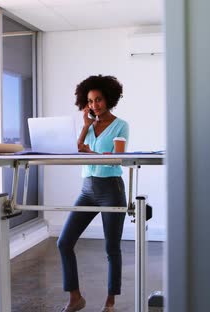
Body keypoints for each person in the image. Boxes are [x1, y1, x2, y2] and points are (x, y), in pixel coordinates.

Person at [57, 75, 129, 312]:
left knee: (111, 248)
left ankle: (110, 302)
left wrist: (91, 152)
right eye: (90, 101)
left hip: (111, 189)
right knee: (64, 242)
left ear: (108, 99)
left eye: (98, 100)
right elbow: (78, 148)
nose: (95, 105)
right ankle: (75, 297)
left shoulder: (120, 125)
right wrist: (86, 126)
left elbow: (118, 158)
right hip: (87, 190)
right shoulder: (88, 127)